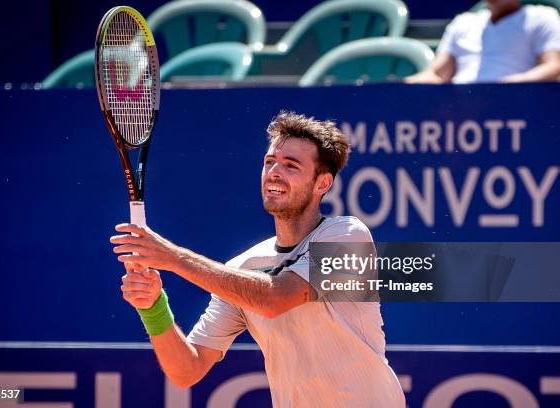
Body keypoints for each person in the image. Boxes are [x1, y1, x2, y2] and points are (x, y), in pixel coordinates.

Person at [110, 111, 405, 407]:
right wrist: (153, 306)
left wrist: (171, 257)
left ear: (322, 184)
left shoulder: (347, 236)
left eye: (291, 166)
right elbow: (187, 369)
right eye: (269, 162)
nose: (274, 172)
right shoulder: (241, 270)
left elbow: (276, 298)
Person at [406, 0, 560, 83]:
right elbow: (437, 74)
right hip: (460, 112)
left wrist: (514, 84)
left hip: (515, 109)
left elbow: (554, 66)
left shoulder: (543, 17)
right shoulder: (462, 22)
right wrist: (400, 87)